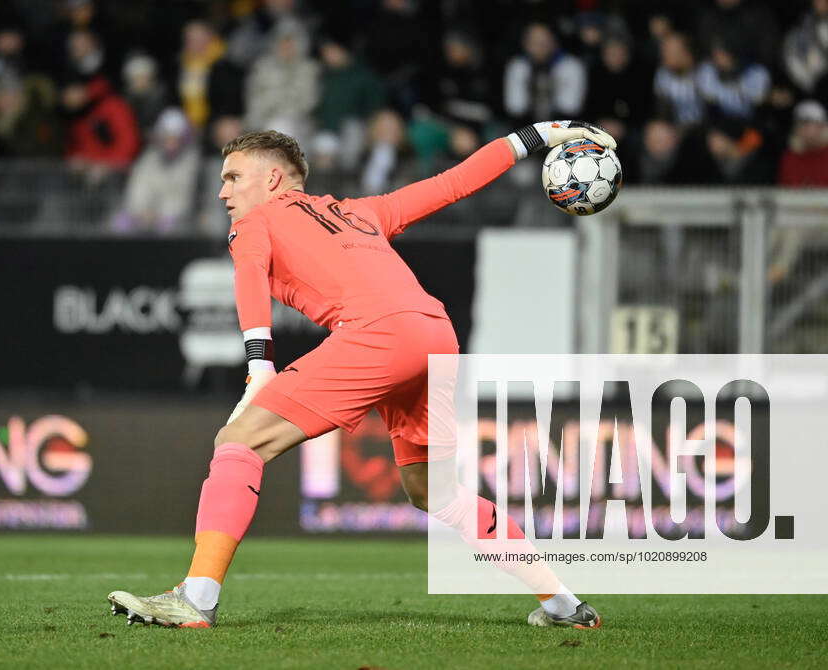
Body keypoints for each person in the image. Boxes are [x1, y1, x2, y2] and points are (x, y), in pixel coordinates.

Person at [107, 120, 616, 630]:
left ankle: (195, 599)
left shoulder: (258, 221)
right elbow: (454, 183)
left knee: (239, 442)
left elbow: (247, 279)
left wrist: (259, 364)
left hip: (378, 335)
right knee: (433, 491)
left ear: (274, 180)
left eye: (233, 177)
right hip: (435, 333)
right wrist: (537, 134)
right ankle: (563, 604)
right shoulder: (360, 213)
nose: (222, 192)